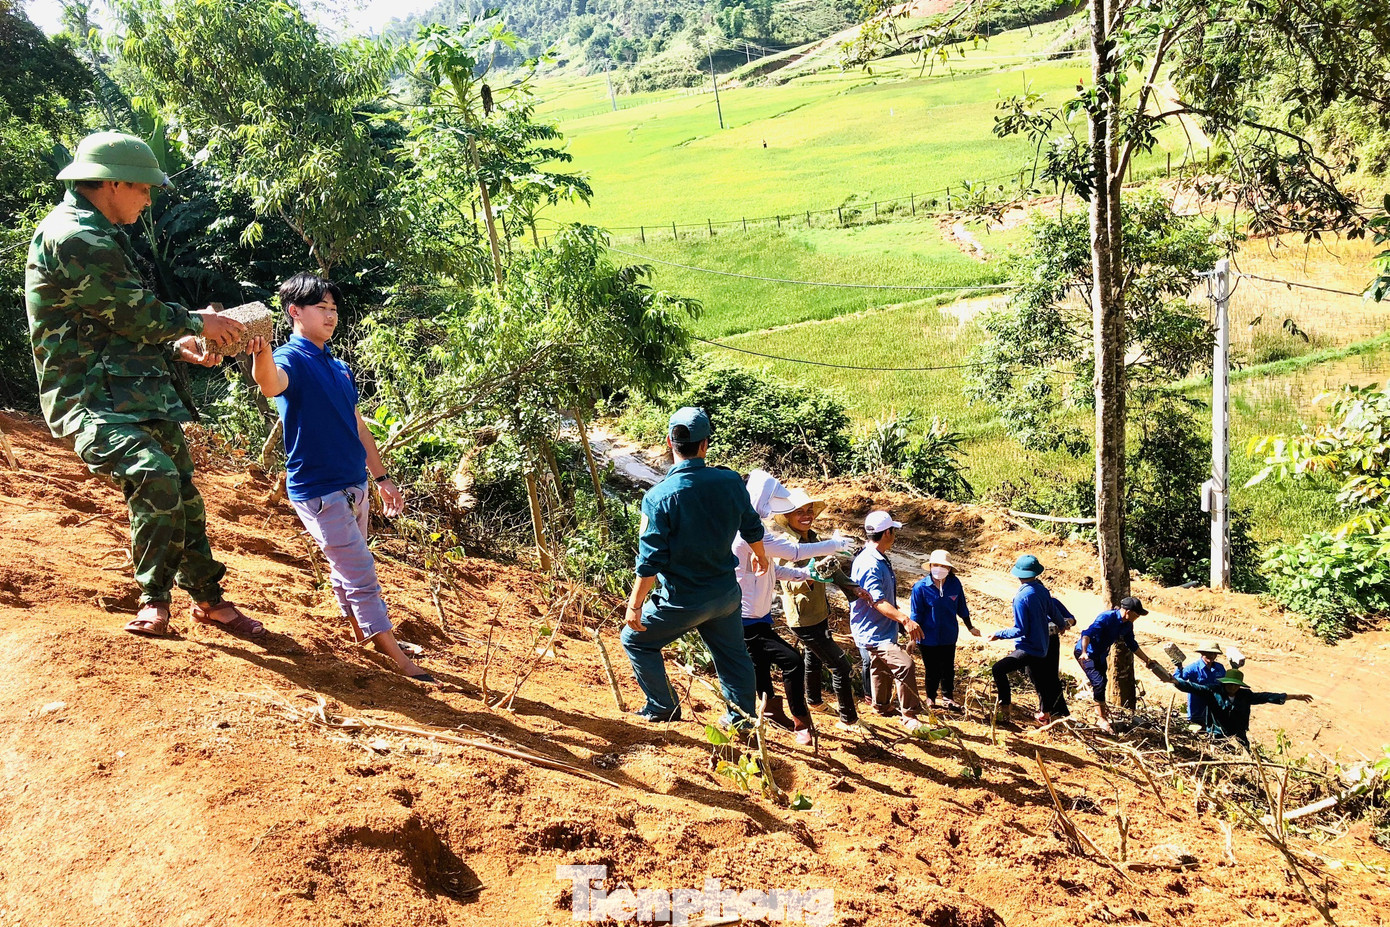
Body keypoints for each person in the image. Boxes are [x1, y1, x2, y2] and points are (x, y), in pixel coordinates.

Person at [25, 130, 259, 639]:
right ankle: (154, 600)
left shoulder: (100, 232)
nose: (149, 199)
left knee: (185, 495)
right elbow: (133, 312)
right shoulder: (76, 237)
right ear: (112, 184)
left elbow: (114, 323)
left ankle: (210, 601)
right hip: (89, 398)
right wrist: (197, 324)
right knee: (155, 476)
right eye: (143, 189)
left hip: (133, 390)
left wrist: (179, 344)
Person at [247, 273, 429, 681]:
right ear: (295, 312)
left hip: (354, 484)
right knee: (361, 570)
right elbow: (269, 383)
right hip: (318, 490)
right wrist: (259, 353)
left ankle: (364, 637)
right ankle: (399, 661)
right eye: (321, 308)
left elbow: (358, 426)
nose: (331, 316)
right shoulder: (289, 359)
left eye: (334, 309)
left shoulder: (340, 367)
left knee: (347, 569)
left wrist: (382, 478)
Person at [622, 408, 768, 727]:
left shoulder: (659, 497)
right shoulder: (730, 481)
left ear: (669, 443)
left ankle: (663, 707)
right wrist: (760, 555)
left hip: (682, 601)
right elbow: (752, 524)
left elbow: (650, 561)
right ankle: (741, 721)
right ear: (705, 445)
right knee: (733, 658)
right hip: (726, 596)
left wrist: (635, 606)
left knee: (635, 640)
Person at [736, 472, 853, 745]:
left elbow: (773, 569)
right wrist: (836, 544)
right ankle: (801, 720)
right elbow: (795, 553)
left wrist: (806, 575)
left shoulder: (750, 528)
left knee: (761, 666)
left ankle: (771, 711)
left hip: (758, 615)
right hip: (745, 617)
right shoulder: (749, 532)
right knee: (793, 662)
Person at [770, 486, 869, 732]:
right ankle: (848, 719)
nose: (806, 515)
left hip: (819, 611)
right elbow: (788, 584)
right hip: (803, 618)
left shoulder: (812, 538)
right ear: (788, 517)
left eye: (809, 511)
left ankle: (814, 700)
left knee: (812, 658)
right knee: (841, 666)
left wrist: (852, 588)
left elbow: (831, 570)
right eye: (799, 512)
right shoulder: (787, 546)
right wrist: (811, 577)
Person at [849, 510, 926, 732]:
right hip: (873, 630)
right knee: (905, 665)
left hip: (878, 628)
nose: (895, 535)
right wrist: (904, 620)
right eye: (893, 530)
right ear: (887, 533)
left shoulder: (875, 557)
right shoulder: (871, 563)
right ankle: (909, 714)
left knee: (879, 665)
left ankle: (881, 705)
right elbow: (876, 600)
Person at [989, 554, 1067, 726]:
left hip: (1029, 648)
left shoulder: (1021, 598)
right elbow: (1054, 612)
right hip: (1044, 646)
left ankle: (1005, 707)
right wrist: (1062, 624)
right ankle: (1046, 715)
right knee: (1041, 679)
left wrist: (999, 634)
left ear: (1018, 574)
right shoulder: (1042, 590)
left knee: (998, 669)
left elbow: (1020, 629)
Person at [1150, 666, 1313, 746]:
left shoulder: (1245, 696)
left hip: (1237, 732)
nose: (1232, 688)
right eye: (1230, 685)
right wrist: (1175, 681)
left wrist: (1293, 697)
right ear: (1225, 683)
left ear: (1240, 686)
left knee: (1246, 754)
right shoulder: (1213, 691)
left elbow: (1267, 697)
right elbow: (1194, 687)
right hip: (1216, 732)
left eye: (1236, 686)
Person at [1073, 597, 1166, 733]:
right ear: (1127, 611)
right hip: (1085, 653)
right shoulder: (1106, 617)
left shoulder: (1127, 625)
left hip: (1101, 655)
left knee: (1102, 682)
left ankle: (1100, 710)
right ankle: (1101, 718)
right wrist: (1085, 652)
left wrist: (1147, 660)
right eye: (1137, 613)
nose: (1138, 616)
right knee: (1099, 682)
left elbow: (1132, 644)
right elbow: (1087, 634)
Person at [908, 550, 979, 711]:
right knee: (932, 668)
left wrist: (970, 627)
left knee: (948, 667)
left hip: (949, 634)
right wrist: (912, 639)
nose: (938, 568)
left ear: (949, 568)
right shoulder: (920, 588)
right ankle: (930, 697)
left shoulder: (955, 584)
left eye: (942, 565)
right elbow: (916, 614)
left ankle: (948, 697)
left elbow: (962, 607)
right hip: (927, 636)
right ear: (930, 566)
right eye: (935, 565)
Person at [1176, 641, 1226, 731]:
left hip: (1215, 710)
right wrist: (1179, 668)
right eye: (1209, 653)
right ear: (1202, 653)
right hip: (1197, 710)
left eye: (1214, 653)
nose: (1212, 656)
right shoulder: (1193, 668)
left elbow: (1226, 685)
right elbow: (1177, 681)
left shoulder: (1220, 668)